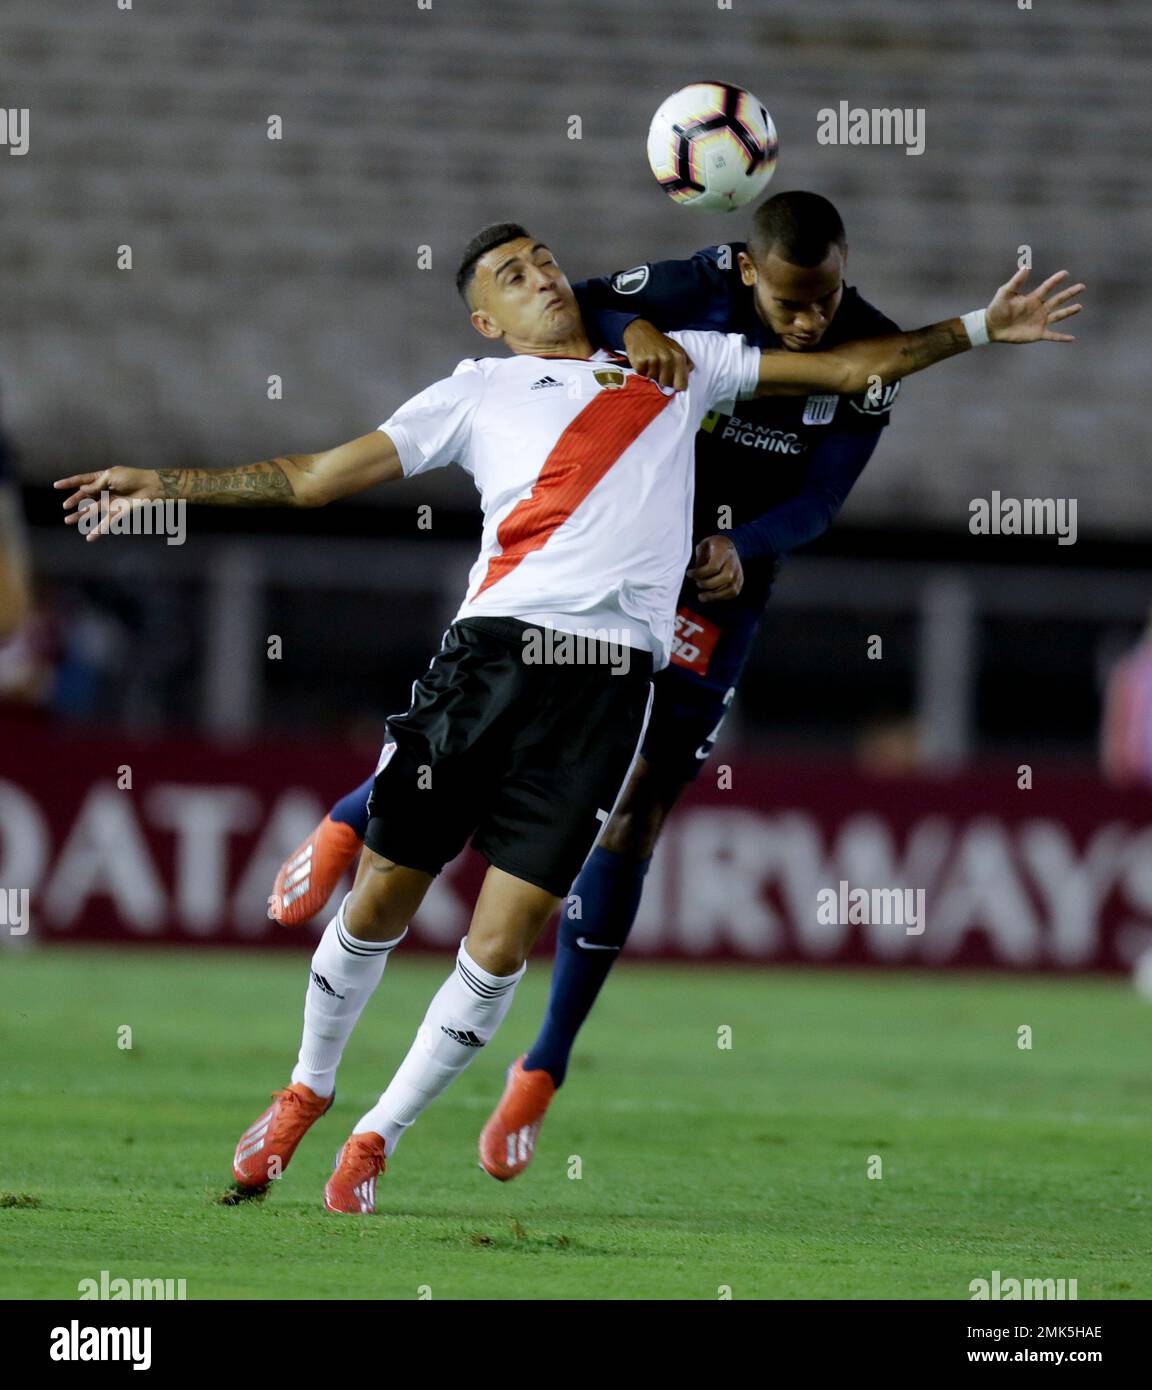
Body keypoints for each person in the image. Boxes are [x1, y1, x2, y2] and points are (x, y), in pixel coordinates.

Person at [56, 223, 1081, 1213]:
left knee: (501, 942)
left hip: (608, 687)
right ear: (485, 321)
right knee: (379, 905)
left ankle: (378, 1138)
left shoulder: (687, 367)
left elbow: (857, 369)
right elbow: (316, 478)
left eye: (544, 259)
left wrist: (980, 328)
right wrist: (170, 487)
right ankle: (305, 1090)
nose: (540, 276)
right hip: (490, 660)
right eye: (510, 273)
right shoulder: (473, 393)